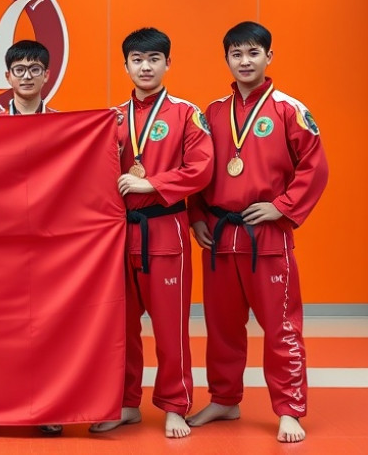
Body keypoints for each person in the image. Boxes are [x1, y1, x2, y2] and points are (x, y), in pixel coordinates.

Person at [185, 21, 328, 443]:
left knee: (281, 325)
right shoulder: (210, 112)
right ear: (227, 58)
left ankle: (289, 409)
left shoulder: (288, 109)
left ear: (269, 56)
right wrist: (195, 216)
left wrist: (282, 207)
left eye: (252, 53)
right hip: (218, 234)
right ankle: (225, 398)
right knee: (222, 326)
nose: (244, 61)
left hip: (267, 235)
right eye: (236, 54)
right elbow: (197, 167)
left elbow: (315, 167)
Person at [90, 28, 213, 438]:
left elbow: (203, 168)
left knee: (170, 326)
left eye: (154, 59)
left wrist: (153, 184)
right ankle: (126, 403)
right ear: (126, 65)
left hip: (167, 230)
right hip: (118, 236)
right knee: (119, 328)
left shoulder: (185, 114)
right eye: (137, 59)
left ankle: (175, 405)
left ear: (167, 64)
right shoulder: (109, 119)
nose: (146, 66)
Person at [0, 40, 60, 436]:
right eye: (19, 69)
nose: (26, 76)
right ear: (6, 76)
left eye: (34, 69)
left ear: (46, 75)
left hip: (47, 243)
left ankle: (48, 408)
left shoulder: (66, 126)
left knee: (45, 327)